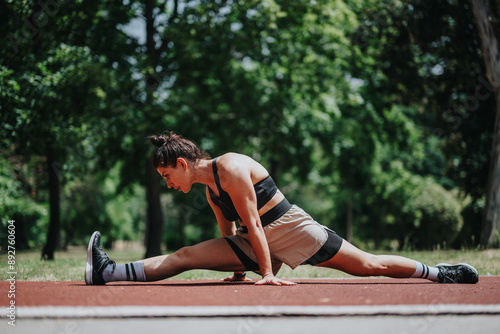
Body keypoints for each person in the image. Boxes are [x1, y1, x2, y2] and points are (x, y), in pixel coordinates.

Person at [85, 131, 479, 286]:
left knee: (368, 265)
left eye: (167, 175)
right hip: (255, 242)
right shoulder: (209, 190)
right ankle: (108, 270)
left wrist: (268, 274)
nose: (168, 183)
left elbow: (255, 222)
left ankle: (439, 272)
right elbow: (232, 234)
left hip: (292, 229)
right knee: (187, 255)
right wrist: (241, 269)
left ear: (183, 164)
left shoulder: (232, 167)